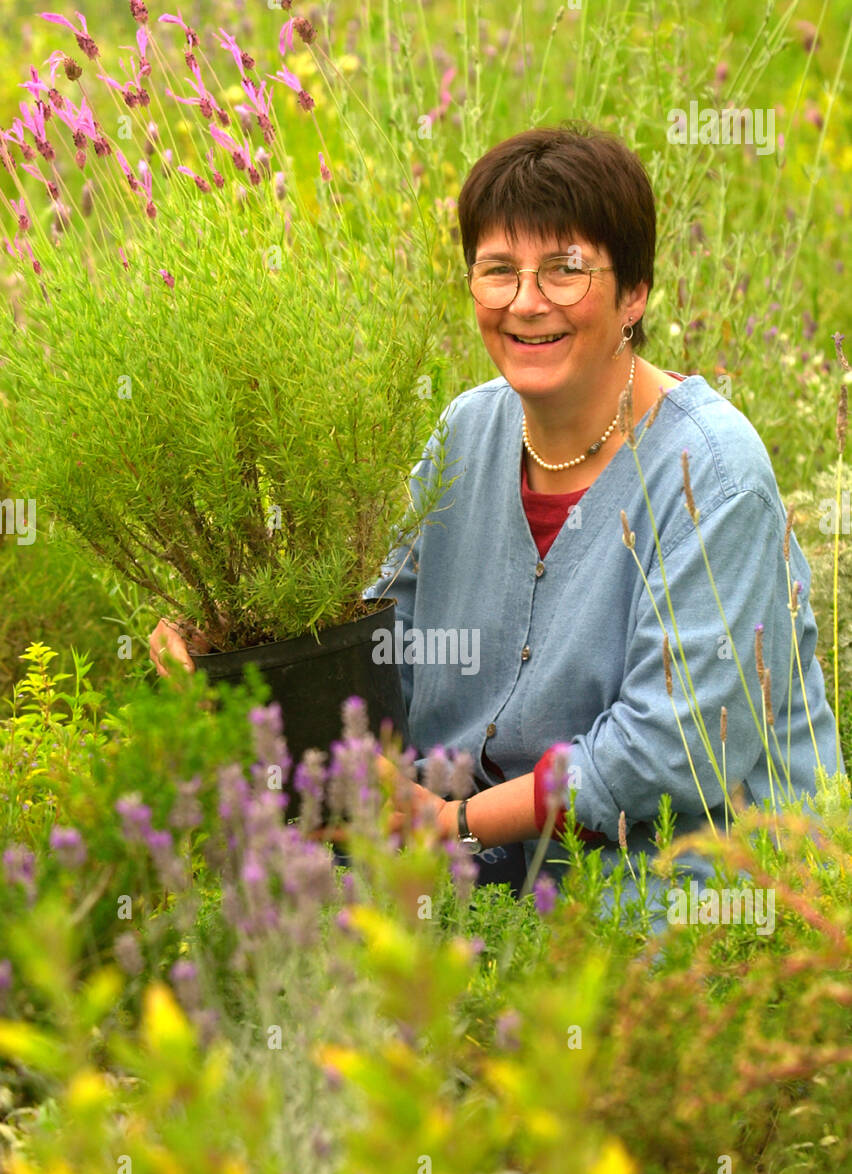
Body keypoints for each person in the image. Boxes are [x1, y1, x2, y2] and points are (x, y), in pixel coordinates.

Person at [151, 122, 845, 925]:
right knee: (270, 905)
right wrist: (230, 657)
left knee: (601, 956)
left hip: (682, 857)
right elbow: (383, 644)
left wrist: (454, 823)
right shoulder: (466, 434)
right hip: (483, 846)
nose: (526, 301)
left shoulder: (712, 474)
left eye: (565, 270)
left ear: (635, 292)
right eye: (499, 271)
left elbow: (670, 753)